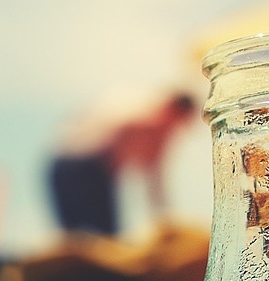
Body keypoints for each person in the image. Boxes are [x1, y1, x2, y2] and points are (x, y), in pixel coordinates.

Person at [47, 92, 197, 240]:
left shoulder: (139, 114)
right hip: (86, 168)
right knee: (102, 241)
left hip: (63, 165)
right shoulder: (146, 121)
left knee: (80, 237)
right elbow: (154, 185)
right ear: (175, 111)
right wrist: (165, 223)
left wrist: (165, 222)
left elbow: (154, 184)